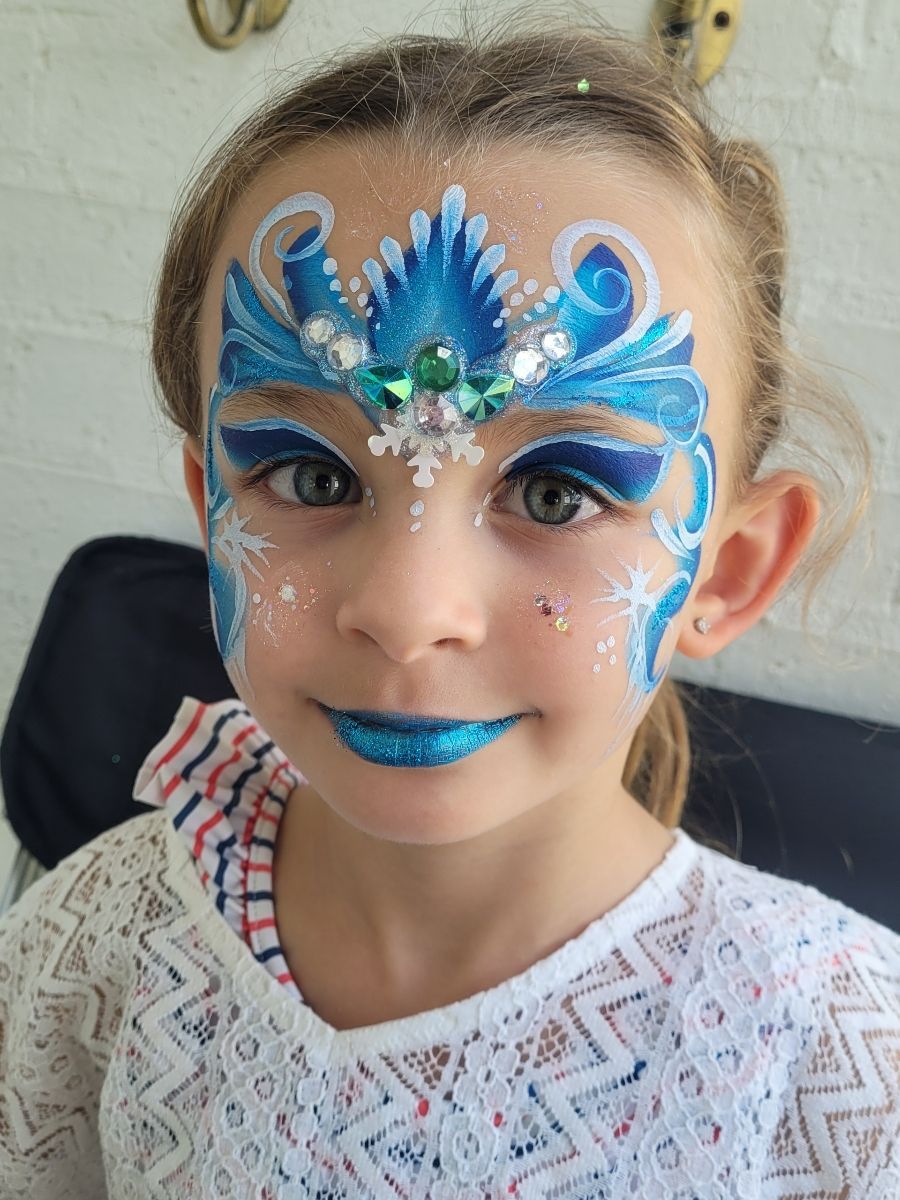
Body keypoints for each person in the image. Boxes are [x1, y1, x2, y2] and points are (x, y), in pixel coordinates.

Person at [1, 11, 897, 1197]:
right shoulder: (91, 949)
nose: (408, 613)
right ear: (209, 508)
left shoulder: (845, 1073)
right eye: (310, 476)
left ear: (726, 574)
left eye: (560, 490)